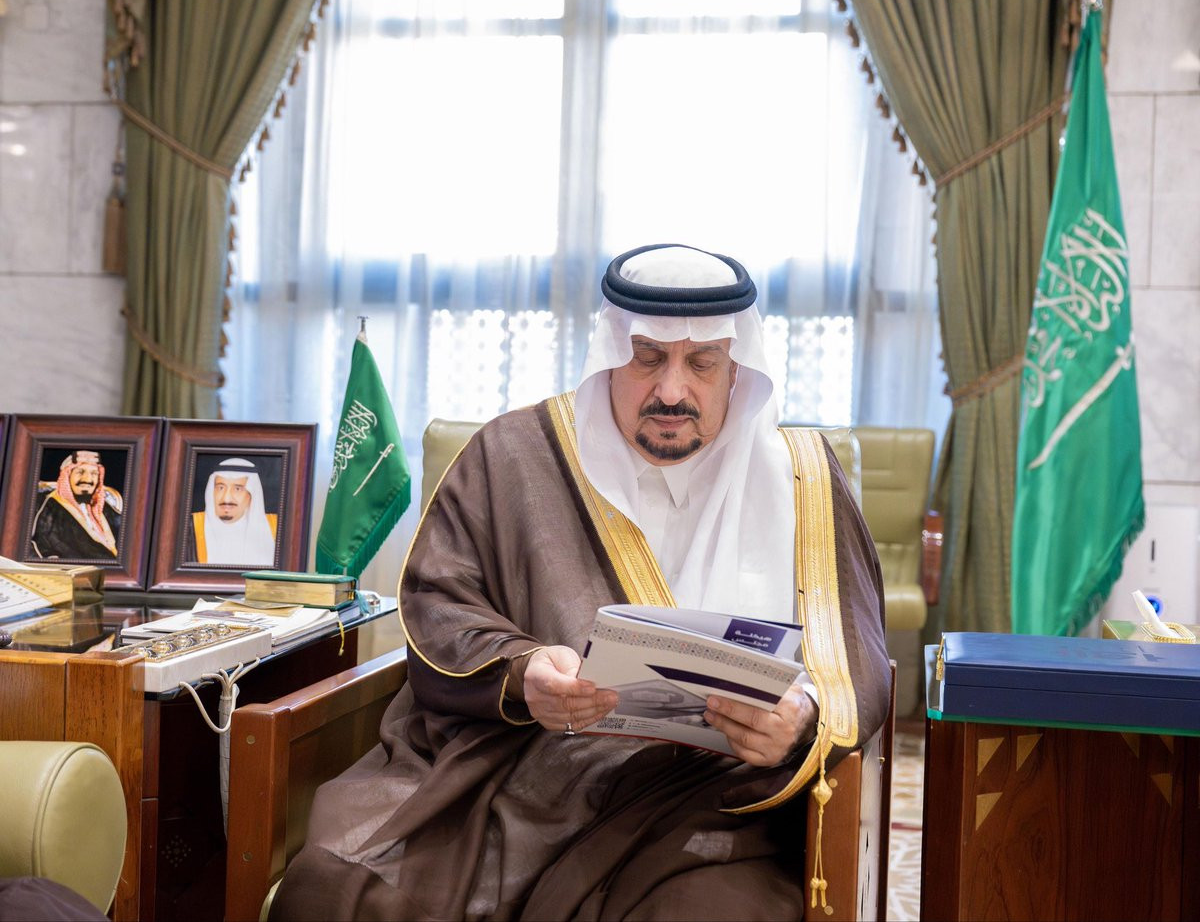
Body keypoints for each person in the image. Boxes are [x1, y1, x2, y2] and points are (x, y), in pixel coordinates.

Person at [271, 244, 890, 921]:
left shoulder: (803, 480)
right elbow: (439, 605)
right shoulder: (511, 456)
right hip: (524, 768)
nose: (672, 391)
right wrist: (523, 670)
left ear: (738, 369)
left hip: (718, 801)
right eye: (647, 357)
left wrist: (801, 721)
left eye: (702, 363)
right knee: (333, 891)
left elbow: (856, 657)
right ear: (608, 353)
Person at [182, 457, 277, 565]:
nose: (226, 498)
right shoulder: (189, 526)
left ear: (251, 494)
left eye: (237, 489)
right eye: (220, 488)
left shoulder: (275, 527)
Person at [30, 451, 121, 560]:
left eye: (94, 474)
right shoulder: (46, 506)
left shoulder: (107, 509)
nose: (87, 479)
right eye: (80, 472)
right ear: (67, 476)